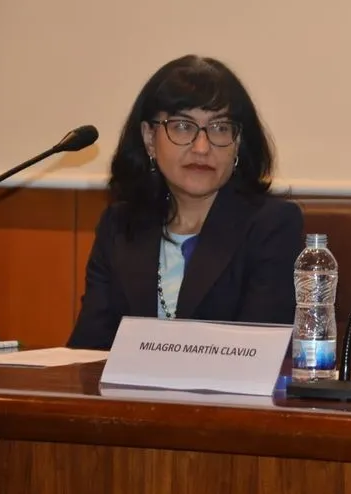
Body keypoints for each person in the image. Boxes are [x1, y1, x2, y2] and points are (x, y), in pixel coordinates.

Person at [67, 55, 304, 350]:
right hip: (129, 397)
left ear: (238, 142)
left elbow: (258, 354)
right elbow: (90, 350)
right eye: (182, 126)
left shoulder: (272, 226)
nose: (202, 147)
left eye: (219, 128)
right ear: (149, 138)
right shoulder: (120, 226)